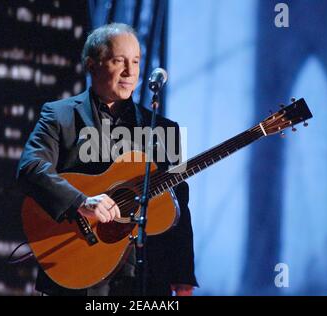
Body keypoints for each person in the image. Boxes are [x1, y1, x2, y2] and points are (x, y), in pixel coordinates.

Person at [16, 23, 197, 296]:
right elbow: (31, 168)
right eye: (118, 61)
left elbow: (179, 201)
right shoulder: (59, 116)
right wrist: (81, 202)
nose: (130, 71)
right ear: (92, 64)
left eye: (135, 61)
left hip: (144, 278)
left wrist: (183, 275)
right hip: (77, 268)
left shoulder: (165, 129)